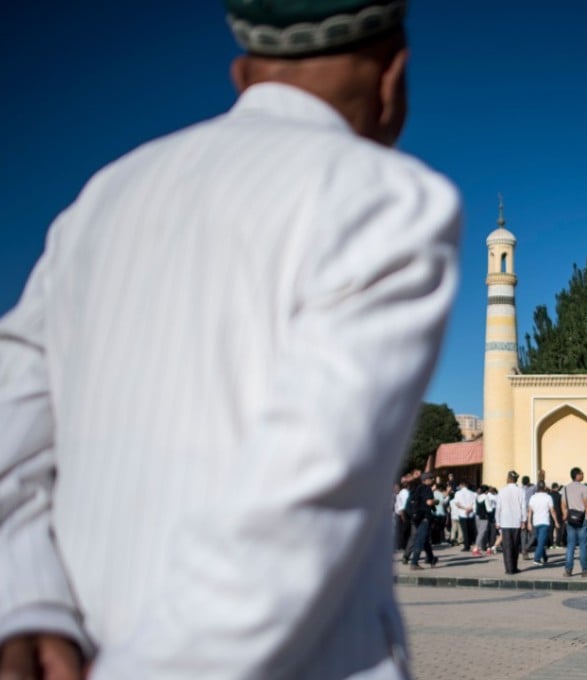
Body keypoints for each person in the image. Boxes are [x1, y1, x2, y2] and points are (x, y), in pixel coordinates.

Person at [0, 3, 461, 678]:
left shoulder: (105, 198)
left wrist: (29, 600)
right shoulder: (387, 199)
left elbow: (10, 424)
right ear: (394, 73)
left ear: (243, 72)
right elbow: (302, 503)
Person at [561, 467, 587, 577]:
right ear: (577, 475)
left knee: (570, 545)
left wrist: (565, 516)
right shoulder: (584, 488)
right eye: (581, 473)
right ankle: (585, 569)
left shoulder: (565, 488)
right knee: (583, 546)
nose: (583, 475)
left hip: (570, 520)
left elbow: (563, 505)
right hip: (582, 519)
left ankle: (568, 570)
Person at [496, 471, 527, 575]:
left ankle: (509, 569)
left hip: (505, 522)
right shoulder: (521, 491)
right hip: (517, 522)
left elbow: (498, 508)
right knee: (515, 545)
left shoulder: (502, 491)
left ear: (508, 478)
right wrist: (524, 520)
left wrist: (497, 521)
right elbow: (523, 506)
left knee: (507, 546)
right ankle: (514, 567)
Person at [527, 482, 558, 566]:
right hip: (544, 521)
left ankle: (544, 557)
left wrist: (529, 522)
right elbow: (552, 511)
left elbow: (530, 511)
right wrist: (556, 521)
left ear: (537, 488)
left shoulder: (533, 497)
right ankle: (536, 559)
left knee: (540, 541)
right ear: (545, 488)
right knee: (541, 541)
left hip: (535, 522)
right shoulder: (548, 497)